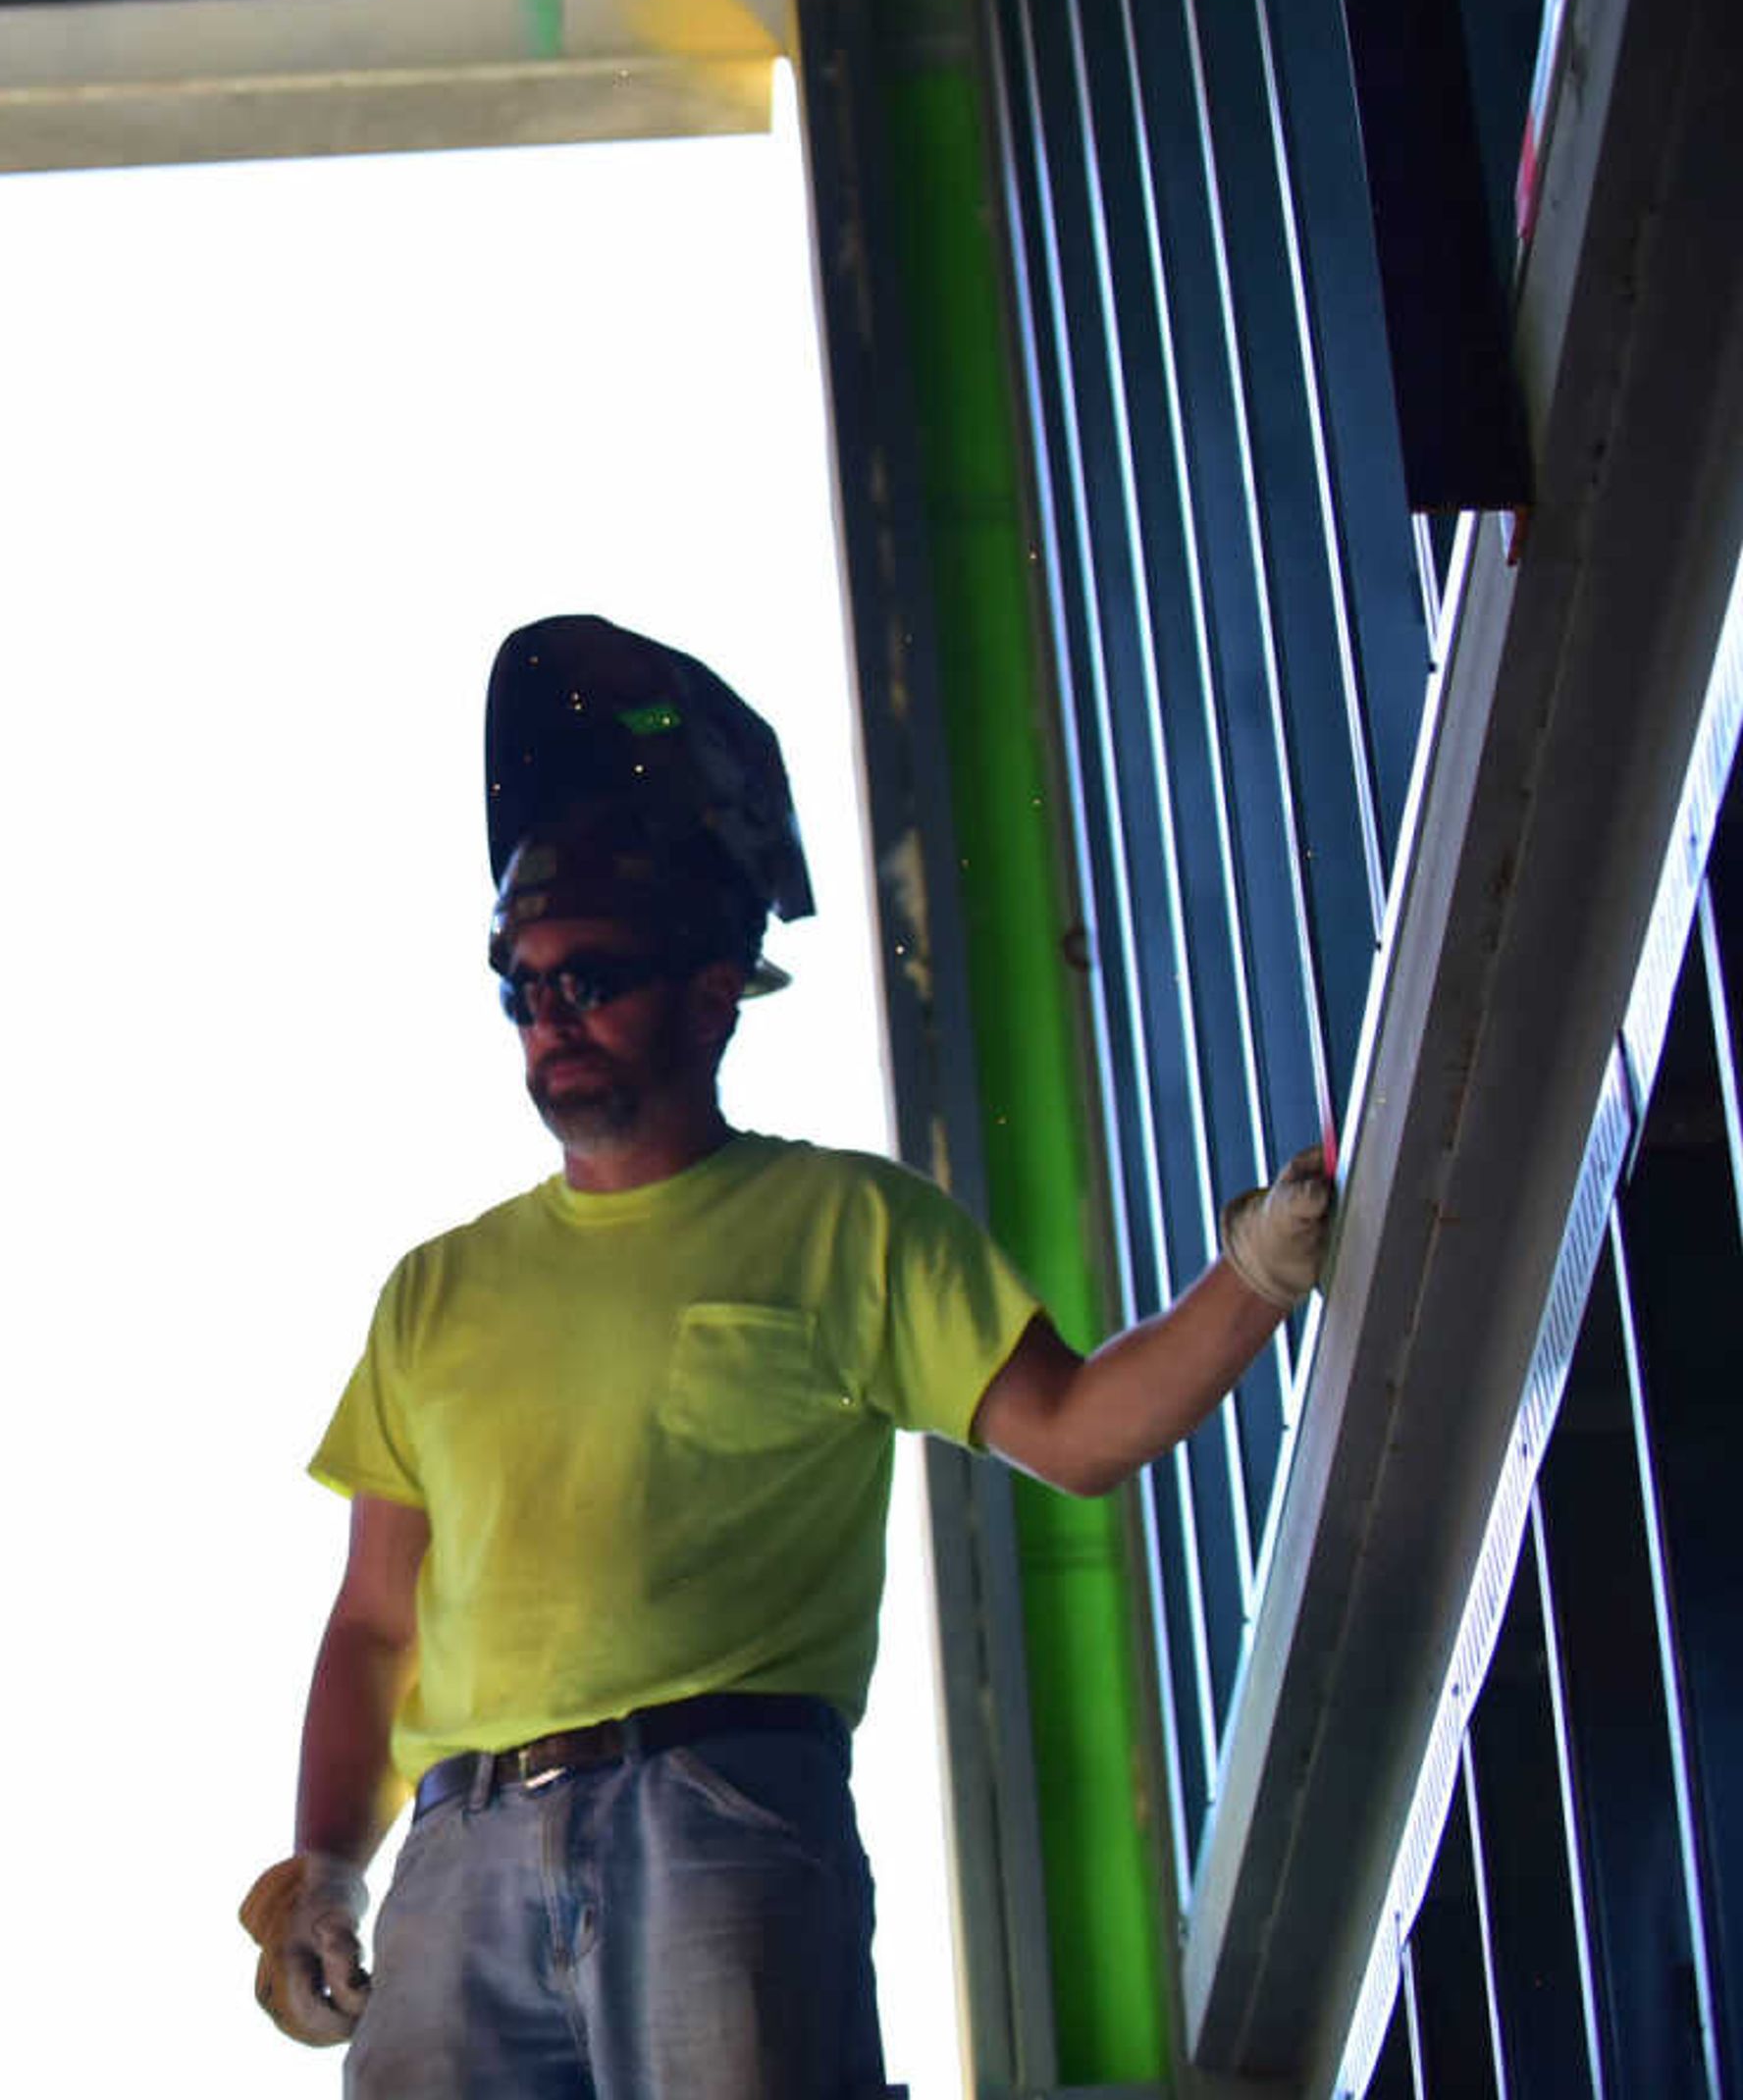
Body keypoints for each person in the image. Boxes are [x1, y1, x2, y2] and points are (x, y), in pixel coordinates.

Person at [239, 615, 1333, 2098]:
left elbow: (1076, 1428)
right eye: (523, 985)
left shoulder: (846, 1226)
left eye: (592, 977)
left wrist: (1257, 1273)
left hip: (718, 1812)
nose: (550, 1016)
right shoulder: (436, 1291)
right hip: (456, 1856)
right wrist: (325, 1866)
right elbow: (375, 1624)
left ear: (711, 988)